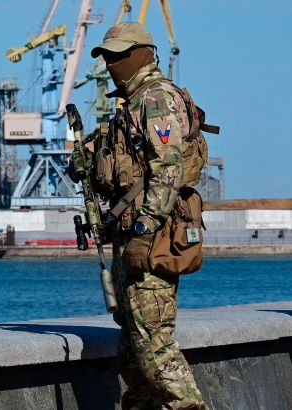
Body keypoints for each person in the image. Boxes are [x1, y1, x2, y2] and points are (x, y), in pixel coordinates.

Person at [88, 22, 208, 409]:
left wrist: (144, 229)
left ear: (142, 53)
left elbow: (168, 169)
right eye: (107, 56)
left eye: (119, 55)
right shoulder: (133, 102)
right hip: (133, 235)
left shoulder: (155, 98)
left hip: (152, 236)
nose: (111, 63)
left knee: (154, 345)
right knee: (133, 351)